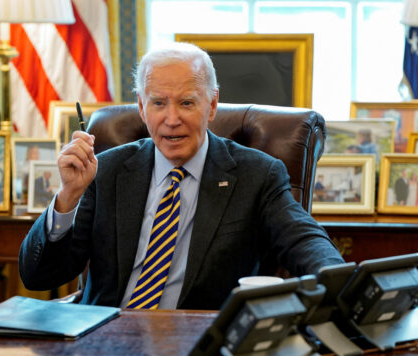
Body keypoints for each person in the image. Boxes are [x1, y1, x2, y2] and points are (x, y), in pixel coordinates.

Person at [19, 42, 344, 310]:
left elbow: (305, 242)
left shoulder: (256, 175)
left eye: (187, 103)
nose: (171, 119)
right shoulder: (106, 171)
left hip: (197, 343)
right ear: (142, 108)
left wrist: (345, 285)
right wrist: (67, 198)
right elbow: (39, 276)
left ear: (212, 104)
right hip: (104, 339)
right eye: (158, 103)